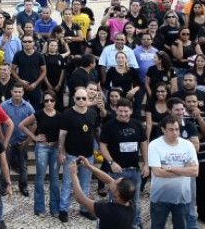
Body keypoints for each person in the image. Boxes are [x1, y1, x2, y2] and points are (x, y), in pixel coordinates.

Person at [98, 98, 147, 228]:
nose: (123, 114)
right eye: (120, 111)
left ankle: (135, 222)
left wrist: (146, 163)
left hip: (134, 170)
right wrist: (111, 162)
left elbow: (143, 143)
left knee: (135, 199)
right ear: (116, 110)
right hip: (117, 172)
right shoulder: (109, 125)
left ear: (131, 111)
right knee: (115, 200)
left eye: (126, 111)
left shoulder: (137, 125)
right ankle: (114, 224)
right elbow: (102, 145)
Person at [147, 115, 199, 229]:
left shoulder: (188, 145)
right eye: (171, 130)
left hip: (182, 197)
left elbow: (195, 172)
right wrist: (184, 169)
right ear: (163, 130)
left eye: (177, 129)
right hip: (160, 197)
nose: (175, 133)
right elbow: (158, 173)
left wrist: (170, 168)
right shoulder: (154, 145)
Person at [58, 87, 99, 222]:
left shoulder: (93, 113)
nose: (81, 100)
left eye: (84, 98)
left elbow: (95, 130)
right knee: (68, 182)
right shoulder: (67, 114)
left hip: (88, 155)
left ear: (87, 99)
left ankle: (85, 209)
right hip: (72, 155)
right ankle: (63, 209)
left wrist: (97, 148)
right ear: (74, 99)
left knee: (85, 183)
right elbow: (62, 135)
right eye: (78, 98)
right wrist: (61, 152)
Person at [67, 157, 136, 229]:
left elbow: (80, 199)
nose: (112, 180)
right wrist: (89, 166)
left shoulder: (110, 211)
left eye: (115, 181)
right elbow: (109, 180)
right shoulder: (128, 203)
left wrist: (73, 174)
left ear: (117, 194)